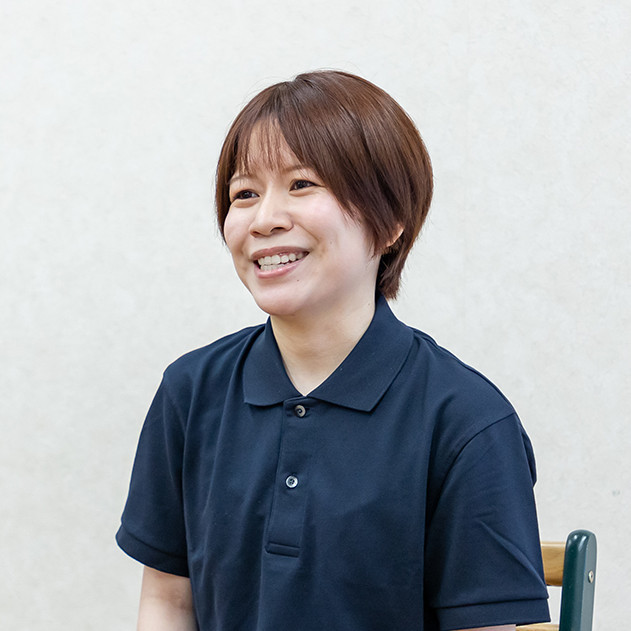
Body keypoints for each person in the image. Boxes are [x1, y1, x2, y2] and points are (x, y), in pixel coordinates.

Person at [116, 70, 550, 631]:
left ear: (390, 221)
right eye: (244, 194)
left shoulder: (467, 420)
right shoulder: (190, 391)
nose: (264, 219)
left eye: (301, 184)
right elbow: (169, 603)